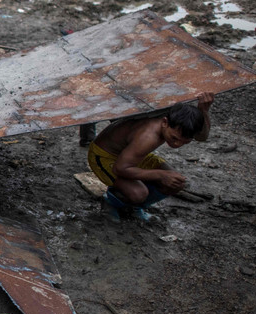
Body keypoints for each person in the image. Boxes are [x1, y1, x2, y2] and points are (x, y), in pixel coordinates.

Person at [87, 93, 213, 222]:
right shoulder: (148, 137)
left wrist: (203, 110)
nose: (177, 144)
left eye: (184, 142)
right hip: (104, 157)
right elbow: (120, 168)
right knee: (139, 193)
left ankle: (134, 206)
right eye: (174, 138)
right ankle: (111, 201)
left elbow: (202, 137)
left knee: (175, 183)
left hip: (131, 155)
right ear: (165, 122)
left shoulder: (173, 117)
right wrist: (161, 175)